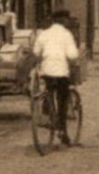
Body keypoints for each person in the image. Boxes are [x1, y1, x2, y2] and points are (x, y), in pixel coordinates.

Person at [33, 8, 80, 146]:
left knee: (49, 89)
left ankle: (47, 112)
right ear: (64, 21)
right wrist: (74, 61)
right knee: (63, 100)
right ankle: (62, 131)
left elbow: (36, 52)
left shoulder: (44, 34)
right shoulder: (67, 35)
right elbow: (72, 55)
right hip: (61, 73)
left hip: (46, 71)